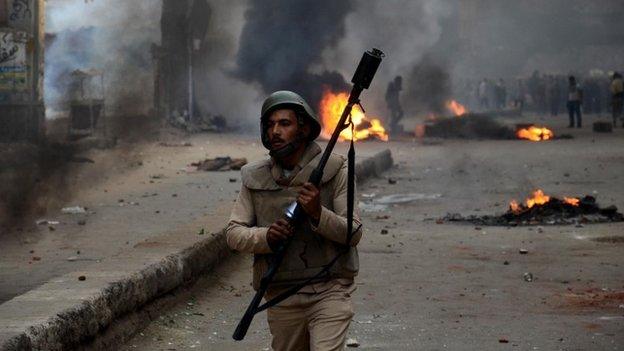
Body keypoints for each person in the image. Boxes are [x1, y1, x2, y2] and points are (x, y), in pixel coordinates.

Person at [226, 90, 363, 350]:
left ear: (303, 130)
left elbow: (353, 232)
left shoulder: (335, 170)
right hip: (281, 294)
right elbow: (234, 233)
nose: (275, 131)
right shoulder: (255, 178)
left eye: (284, 124)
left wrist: (317, 213)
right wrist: (266, 236)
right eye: (270, 125)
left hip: (329, 289)